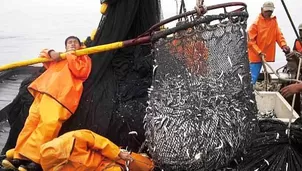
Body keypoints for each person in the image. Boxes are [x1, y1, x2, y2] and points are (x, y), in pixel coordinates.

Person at [1, 36, 92, 171]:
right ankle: (19, 157)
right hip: (42, 94)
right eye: (69, 42)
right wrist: (51, 52)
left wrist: (71, 55)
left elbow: (81, 72)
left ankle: (35, 161)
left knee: (48, 126)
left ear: (80, 46)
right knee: (30, 124)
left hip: (61, 97)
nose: (72, 44)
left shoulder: (83, 57)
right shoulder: (59, 57)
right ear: (65, 46)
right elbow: (43, 54)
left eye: (75, 42)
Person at [39, 129, 153, 171]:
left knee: (142, 164)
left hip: (107, 157)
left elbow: (100, 142)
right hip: (103, 169)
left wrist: (117, 153)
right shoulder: (54, 168)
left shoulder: (75, 137)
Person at [248, 1, 290, 84]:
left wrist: (283, 45)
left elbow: (278, 34)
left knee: (260, 77)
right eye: (266, 11)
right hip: (256, 57)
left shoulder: (273, 21)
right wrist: (259, 52)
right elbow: (250, 41)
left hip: (266, 55)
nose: (268, 13)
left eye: (270, 11)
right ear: (262, 10)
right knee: (252, 78)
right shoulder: (255, 24)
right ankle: (248, 94)